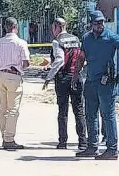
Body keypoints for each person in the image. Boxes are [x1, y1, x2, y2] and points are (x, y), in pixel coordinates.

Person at [73, 10, 119, 160]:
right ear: (91, 24)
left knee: (108, 115)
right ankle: (92, 147)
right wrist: (75, 74)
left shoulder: (111, 36)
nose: (100, 25)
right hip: (91, 81)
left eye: (101, 22)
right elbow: (81, 57)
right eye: (96, 23)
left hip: (107, 82)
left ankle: (112, 149)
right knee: (90, 115)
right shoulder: (86, 38)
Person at [42, 18, 87, 150]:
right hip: (77, 77)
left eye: (53, 28)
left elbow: (60, 60)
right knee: (79, 110)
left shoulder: (57, 42)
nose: (52, 31)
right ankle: (83, 142)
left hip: (63, 77)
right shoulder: (77, 40)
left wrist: (49, 77)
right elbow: (82, 59)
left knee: (63, 111)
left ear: (57, 27)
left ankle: (63, 142)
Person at [0, 17, 30, 149]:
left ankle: (4, 136)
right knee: (13, 109)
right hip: (14, 76)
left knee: (3, 108)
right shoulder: (21, 43)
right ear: (15, 27)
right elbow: (26, 63)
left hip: (1, 75)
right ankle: (9, 139)